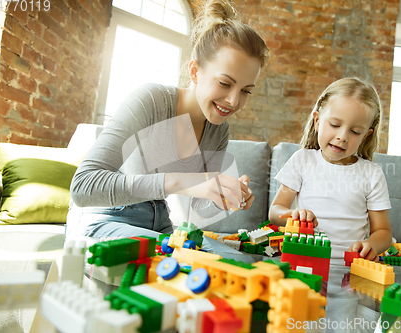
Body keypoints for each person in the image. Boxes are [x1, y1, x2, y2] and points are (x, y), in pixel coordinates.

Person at [66, 0, 269, 239]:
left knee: (220, 263)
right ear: (195, 72)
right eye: (224, 83)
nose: (234, 101)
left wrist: (223, 196)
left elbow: (198, 205)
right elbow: (83, 187)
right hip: (106, 215)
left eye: (246, 90)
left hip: (159, 221)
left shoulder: (218, 130)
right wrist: (182, 181)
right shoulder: (152, 101)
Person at [269, 77, 392, 262]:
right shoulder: (302, 160)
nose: (342, 136)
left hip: (350, 267)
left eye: (355, 132)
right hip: (304, 259)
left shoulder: (372, 174)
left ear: (365, 136)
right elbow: (275, 212)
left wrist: (371, 245)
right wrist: (293, 215)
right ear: (317, 121)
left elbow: (383, 232)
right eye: (335, 125)